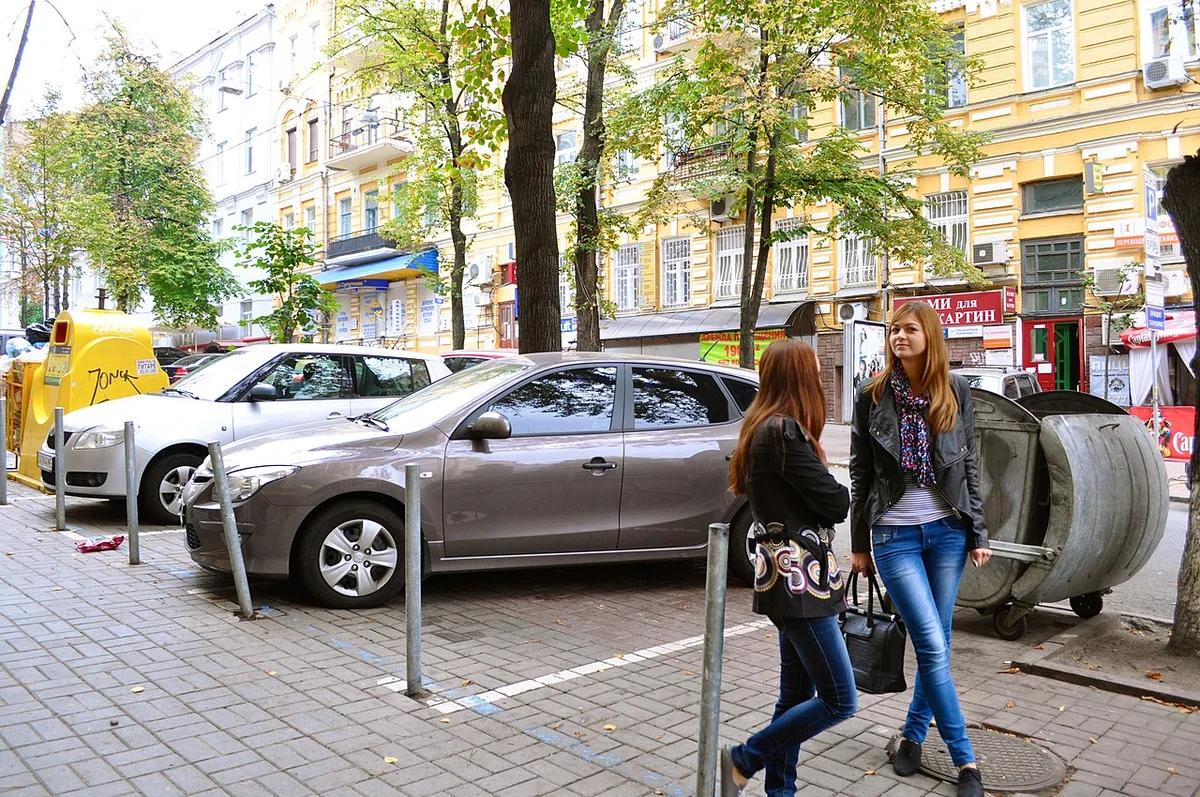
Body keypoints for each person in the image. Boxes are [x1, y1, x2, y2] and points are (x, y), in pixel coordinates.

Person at [848, 301, 992, 797]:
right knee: (931, 645)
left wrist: (978, 532)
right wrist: (859, 545)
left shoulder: (956, 391)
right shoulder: (871, 395)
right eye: (893, 330)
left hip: (948, 533)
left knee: (940, 644)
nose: (898, 337)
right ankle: (965, 761)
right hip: (895, 536)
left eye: (909, 329)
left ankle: (910, 737)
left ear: (929, 335)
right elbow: (860, 473)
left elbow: (968, 466)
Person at [719, 339, 856, 797]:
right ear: (799, 378)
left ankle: (780, 790)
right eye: (814, 374)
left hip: (783, 577)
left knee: (794, 696)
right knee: (839, 699)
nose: (819, 381)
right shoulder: (783, 433)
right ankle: (745, 758)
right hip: (803, 583)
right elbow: (837, 502)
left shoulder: (760, 428)